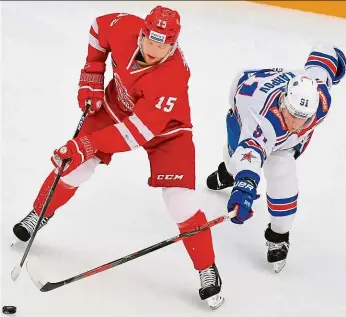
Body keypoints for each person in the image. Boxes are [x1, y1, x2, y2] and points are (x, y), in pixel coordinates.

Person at [12, 6, 224, 309]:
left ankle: (206, 267)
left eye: (163, 45)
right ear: (142, 32)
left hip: (168, 132)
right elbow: (98, 30)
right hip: (115, 108)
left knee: (181, 203)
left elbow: (136, 133)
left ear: (174, 44)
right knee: (74, 168)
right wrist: (92, 74)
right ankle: (39, 213)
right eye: (151, 40)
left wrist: (86, 143)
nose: (154, 50)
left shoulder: (173, 75)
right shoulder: (125, 27)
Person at [206, 43, 345, 273]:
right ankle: (228, 173)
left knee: (282, 174)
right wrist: (245, 183)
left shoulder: (321, 99)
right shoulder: (263, 119)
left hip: (283, 142)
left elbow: (322, 58)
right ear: (283, 101)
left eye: (303, 118)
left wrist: (338, 61)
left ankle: (279, 235)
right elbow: (250, 152)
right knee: (235, 159)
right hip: (243, 103)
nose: (295, 123)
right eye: (291, 114)